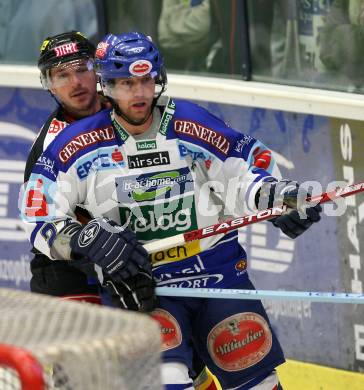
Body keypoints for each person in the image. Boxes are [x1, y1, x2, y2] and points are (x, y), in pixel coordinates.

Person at [21, 32, 322, 389]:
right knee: (149, 378)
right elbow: (39, 214)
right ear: (109, 84)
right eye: (126, 83)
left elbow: (243, 174)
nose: (139, 93)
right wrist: (87, 242)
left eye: (145, 80)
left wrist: (275, 197)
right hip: (138, 280)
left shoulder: (191, 123)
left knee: (253, 376)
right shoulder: (68, 143)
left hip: (216, 273)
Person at [24, 30, 109, 304]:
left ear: (96, 70)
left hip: (130, 262)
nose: (76, 82)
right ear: (49, 85)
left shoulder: (128, 112)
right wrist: (89, 248)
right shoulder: (49, 146)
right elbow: (40, 224)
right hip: (69, 276)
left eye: (82, 69)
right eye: (62, 75)